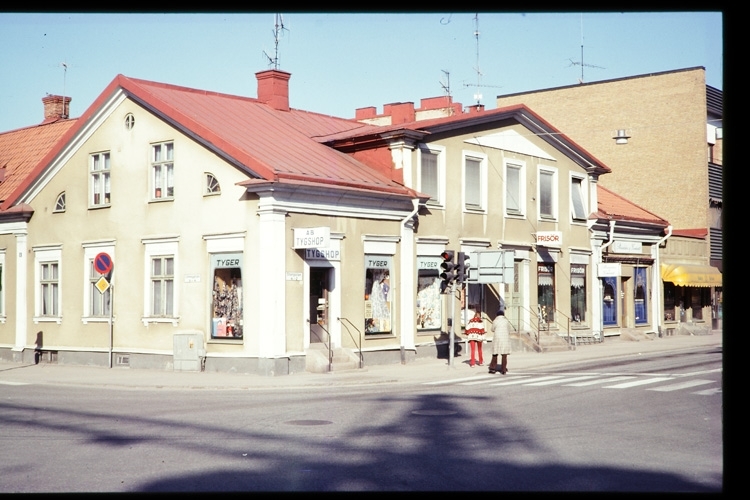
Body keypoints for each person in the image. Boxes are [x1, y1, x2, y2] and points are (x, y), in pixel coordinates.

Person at [489, 306, 512, 374]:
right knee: (504, 355)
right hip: (505, 338)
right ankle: (503, 369)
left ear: (497, 315)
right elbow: (509, 329)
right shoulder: (506, 321)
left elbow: (492, 329)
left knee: (495, 353)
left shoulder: (495, 321)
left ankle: (493, 368)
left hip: (497, 338)